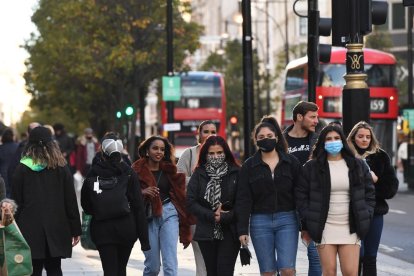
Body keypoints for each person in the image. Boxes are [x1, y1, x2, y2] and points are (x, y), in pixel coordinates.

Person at [296, 124, 376, 276]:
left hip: (351, 227)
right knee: (329, 272)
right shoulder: (311, 167)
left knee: (351, 272)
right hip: (324, 227)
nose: (333, 142)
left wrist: (366, 214)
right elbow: (301, 196)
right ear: (322, 143)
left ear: (343, 141)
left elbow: (369, 194)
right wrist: (309, 219)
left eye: (337, 138)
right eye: (329, 139)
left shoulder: (357, 165)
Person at [11, 126, 82, 276]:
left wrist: (13, 230)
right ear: (52, 144)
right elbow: (70, 200)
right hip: (57, 226)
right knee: (54, 268)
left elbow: (16, 202)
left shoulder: (22, 168)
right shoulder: (61, 167)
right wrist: (75, 229)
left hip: (29, 228)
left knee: (33, 269)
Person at [236, 116, 302, 276]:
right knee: (268, 272)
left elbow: (300, 193)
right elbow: (243, 199)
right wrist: (242, 230)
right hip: (260, 221)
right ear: (256, 141)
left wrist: (305, 223)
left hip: (287, 219)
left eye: (269, 136)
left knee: (287, 270)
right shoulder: (249, 166)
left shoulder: (291, 162)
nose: (266, 140)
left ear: (277, 138)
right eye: (261, 137)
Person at [81, 133, 150, 276]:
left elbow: (86, 204)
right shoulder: (128, 172)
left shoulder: (93, 172)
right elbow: (138, 206)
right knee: (121, 269)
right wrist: (144, 240)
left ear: (102, 152)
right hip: (127, 228)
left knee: (109, 270)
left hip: (102, 229)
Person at [132, 135, 193, 276]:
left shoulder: (170, 170)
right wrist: (142, 192)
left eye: (162, 149)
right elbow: (127, 194)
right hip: (148, 217)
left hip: (169, 214)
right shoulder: (136, 170)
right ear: (147, 151)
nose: (159, 152)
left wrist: (185, 227)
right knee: (152, 267)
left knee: (170, 265)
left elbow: (181, 197)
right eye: (155, 148)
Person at [347, 121, 399, 275]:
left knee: (370, 256)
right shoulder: (345, 156)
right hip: (351, 213)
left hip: (375, 212)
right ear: (353, 137)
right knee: (357, 254)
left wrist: (375, 181)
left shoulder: (381, 156)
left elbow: (391, 188)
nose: (364, 140)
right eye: (361, 136)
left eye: (368, 137)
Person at [186, 135, 240, 276]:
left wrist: (224, 217)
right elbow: (190, 201)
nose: (215, 156)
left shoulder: (236, 172)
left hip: (230, 230)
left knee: (225, 271)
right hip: (206, 230)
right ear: (205, 155)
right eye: (211, 153)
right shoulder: (199, 173)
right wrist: (212, 215)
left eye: (219, 153)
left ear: (226, 153)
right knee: (211, 272)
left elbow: (242, 202)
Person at [282, 101, 321, 276]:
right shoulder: (281, 141)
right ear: (299, 117)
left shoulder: (319, 138)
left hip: (312, 204)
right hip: (287, 204)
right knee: (286, 261)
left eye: (317, 117)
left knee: (315, 254)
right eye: (312, 117)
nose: (316, 121)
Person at [177, 120, 217, 276]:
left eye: (213, 132)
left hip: (219, 214)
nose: (209, 135)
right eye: (205, 131)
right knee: (201, 259)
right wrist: (199, 182)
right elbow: (178, 179)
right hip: (196, 214)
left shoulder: (223, 153)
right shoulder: (190, 153)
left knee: (219, 259)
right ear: (199, 134)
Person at [0, 128, 18, 197]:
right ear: (13, 137)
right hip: (14, 175)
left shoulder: (1, 148)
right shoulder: (18, 147)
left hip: (3, 176)